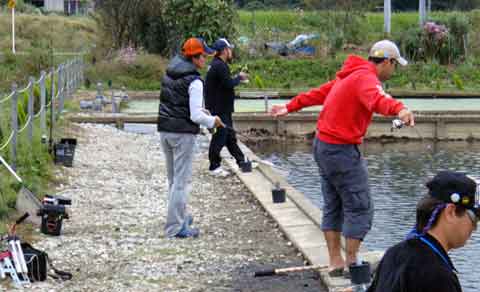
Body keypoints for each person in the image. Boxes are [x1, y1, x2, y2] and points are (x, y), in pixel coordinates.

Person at [270, 40, 415, 276]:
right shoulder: (366, 78)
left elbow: (318, 94)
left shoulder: (349, 76)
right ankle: (352, 264)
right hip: (341, 151)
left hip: (323, 146)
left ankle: (335, 262)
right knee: (360, 206)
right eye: (394, 65)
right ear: (387, 62)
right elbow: (378, 99)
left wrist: (290, 107)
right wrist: (400, 109)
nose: (394, 70)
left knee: (334, 205)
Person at [367, 171, 478, 292]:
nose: (475, 228)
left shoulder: (395, 252)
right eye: (475, 219)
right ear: (450, 212)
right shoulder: (437, 276)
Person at [157, 37, 223, 238]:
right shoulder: (194, 81)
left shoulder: (170, 72)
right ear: (194, 57)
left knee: (173, 179)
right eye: (204, 56)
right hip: (182, 134)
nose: (206, 60)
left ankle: (178, 217)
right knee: (181, 182)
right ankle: (175, 228)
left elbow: (177, 103)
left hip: (165, 130)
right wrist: (213, 121)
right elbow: (195, 116)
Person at [205, 38, 250, 177]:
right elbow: (228, 84)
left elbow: (225, 83)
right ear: (224, 50)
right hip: (220, 109)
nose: (231, 51)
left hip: (221, 107)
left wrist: (237, 78)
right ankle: (214, 166)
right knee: (220, 137)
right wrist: (240, 78)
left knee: (230, 137)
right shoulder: (220, 66)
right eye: (229, 49)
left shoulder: (217, 64)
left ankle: (242, 162)